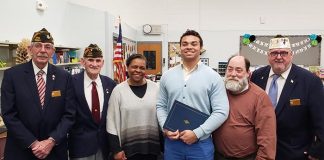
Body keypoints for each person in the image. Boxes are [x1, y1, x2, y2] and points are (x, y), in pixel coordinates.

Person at [0, 28, 76, 160]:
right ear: (30, 49)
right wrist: (33, 143)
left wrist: (51, 141)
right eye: (38, 46)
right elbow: (8, 114)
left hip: (54, 151)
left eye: (47, 47)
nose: (42, 50)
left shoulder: (64, 77)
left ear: (52, 51)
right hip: (21, 151)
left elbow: (69, 114)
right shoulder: (12, 75)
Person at [156, 29, 229, 160]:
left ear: (201, 48)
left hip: (200, 144)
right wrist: (165, 127)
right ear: (180, 48)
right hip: (173, 144)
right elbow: (160, 106)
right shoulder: (167, 76)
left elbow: (221, 111)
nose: (189, 46)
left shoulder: (213, 77)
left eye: (194, 43)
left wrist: (197, 133)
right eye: (185, 44)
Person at [251, 35, 324, 160]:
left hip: (295, 154)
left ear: (291, 55)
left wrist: (316, 152)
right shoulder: (257, 76)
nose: (279, 57)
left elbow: (321, 120)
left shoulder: (310, 81)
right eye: (274, 53)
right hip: (260, 152)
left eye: (284, 53)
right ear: (268, 55)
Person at [213, 55, 276, 160]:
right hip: (218, 156)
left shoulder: (260, 97)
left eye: (239, 70)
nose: (233, 74)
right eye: (230, 69)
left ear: (248, 74)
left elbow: (267, 138)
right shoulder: (219, 92)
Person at [106, 53, 161, 160]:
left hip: (152, 148)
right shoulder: (118, 91)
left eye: (142, 68)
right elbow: (111, 122)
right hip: (127, 150)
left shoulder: (155, 88)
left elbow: (162, 114)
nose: (138, 70)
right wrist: (116, 150)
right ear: (127, 68)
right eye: (134, 67)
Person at [68, 44, 116, 160]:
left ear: (102, 63)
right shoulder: (71, 83)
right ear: (83, 62)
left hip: (105, 147)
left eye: (98, 60)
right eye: (90, 60)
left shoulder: (110, 84)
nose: (94, 64)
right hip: (80, 147)